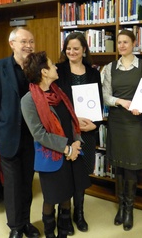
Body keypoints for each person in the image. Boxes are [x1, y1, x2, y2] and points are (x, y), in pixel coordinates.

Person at [21, 51, 91, 238]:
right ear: (44, 72)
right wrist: (66, 148)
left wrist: (76, 143)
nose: (56, 67)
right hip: (53, 155)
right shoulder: (28, 101)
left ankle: (64, 231)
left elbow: (71, 119)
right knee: (52, 198)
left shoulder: (58, 91)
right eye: (52, 65)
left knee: (67, 194)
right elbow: (39, 134)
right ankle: (50, 232)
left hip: (72, 152)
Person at [0, 27, 40, 238]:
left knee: (27, 183)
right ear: (12, 44)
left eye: (31, 41)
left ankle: (26, 222)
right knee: (13, 185)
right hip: (8, 135)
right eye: (24, 41)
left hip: (32, 136)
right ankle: (15, 227)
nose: (28, 45)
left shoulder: (36, 68)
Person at [102, 29, 142, 231]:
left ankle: (130, 208)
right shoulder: (109, 67)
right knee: (119, 166)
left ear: (134, 43)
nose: (122, 45)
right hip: (117, 120)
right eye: (119, 42)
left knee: (131, 166)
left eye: (126, 42)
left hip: (135, 122)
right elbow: (106, 96)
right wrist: (121, 102)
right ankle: (121, 206)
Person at [55, 32, 103, 234]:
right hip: (66, 131)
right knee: (65, 174)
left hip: (87, 132)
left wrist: (96, 124)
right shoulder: (58, 70)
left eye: (76, 48)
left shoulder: (94, 73)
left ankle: (79, 213)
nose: (72, 52)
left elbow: (98, 103)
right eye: (68, 48)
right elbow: (55, 102)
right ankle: (63, 216)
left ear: (84, 49)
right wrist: (71, 123)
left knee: (82, 173)